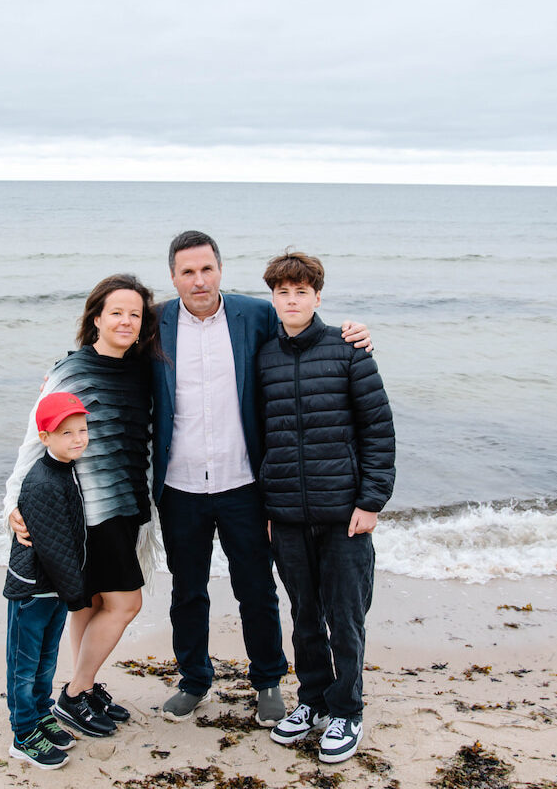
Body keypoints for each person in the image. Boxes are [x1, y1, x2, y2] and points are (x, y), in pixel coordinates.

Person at [151, 231, 373, 725]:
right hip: (180, 485)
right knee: (187, 590)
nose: (199, 279)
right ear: (173, 278)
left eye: (206, 268)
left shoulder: (255, 315)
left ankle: (268, 679)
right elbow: (109, 349)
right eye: (187, 271)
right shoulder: (156, 321)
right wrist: (64, 376)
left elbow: (305, 331)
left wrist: (351, 334)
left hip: (244, 482)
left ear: (221, 270)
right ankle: (193, 679)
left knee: (256, 587)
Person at [4, 274, 158, 740]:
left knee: (90, 603)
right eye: (117, 312)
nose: (126, 321)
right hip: (87, 510)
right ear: (96, 317)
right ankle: (75, 693)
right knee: (126, 602)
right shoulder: (71, 371)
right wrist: (12, 501)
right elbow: (36, 439)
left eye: (135, 314)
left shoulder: (143, 369)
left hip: (127, 501)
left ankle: (80, 689)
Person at [257, 251, 395, 763]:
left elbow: (379, 431)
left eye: (301, 292)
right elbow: (260, 435)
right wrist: (269, 505)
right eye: (282, 292)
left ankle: (347, 711)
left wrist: (372, 501)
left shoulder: (350, 350)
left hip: (345, 515)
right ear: (273, 298)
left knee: (346, 615)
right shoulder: (264, 356)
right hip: (288, 515)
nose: (291, 301)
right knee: (304, 615)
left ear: (318, 296)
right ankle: (312, 700)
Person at [3, 391, 91, 770]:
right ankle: (22, 734)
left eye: (82, 430)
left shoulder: (65, 468)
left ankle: (41, 716)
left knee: (46, 660)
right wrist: (76, 593)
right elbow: (53, 547)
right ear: (44, 438)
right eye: (66, 432)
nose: (77, 439)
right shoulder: (42, 482)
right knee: (24, 665)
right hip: (33, 591)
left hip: (53, 587)